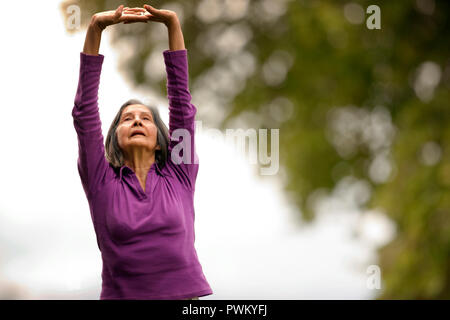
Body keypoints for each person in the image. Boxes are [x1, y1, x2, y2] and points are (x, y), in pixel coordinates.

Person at [72, 4, 211, 300]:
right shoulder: (101, 182)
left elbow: (182, 107)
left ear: (162, 141)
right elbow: (84, 114)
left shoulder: (180, 174)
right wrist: (95, 28)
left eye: (146, 118)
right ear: (115, 139)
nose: (136, 120)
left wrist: (173, 24)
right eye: (127, 119)